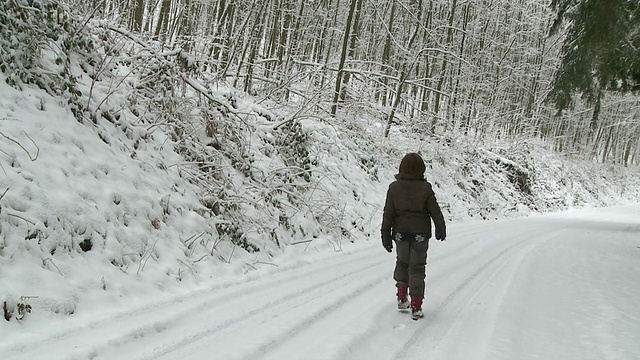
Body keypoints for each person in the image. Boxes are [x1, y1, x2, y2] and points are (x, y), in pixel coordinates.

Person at [381, 153, 446, 320]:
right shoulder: (425, 188)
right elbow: (435, 211)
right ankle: (416, 305)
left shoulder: (394, 188)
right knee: (417, 267)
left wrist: (385, 235)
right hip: (420, 235)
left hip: (401, 235)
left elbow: (388, 214)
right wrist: (440, 228)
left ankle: (402, 297)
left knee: (402, 262)